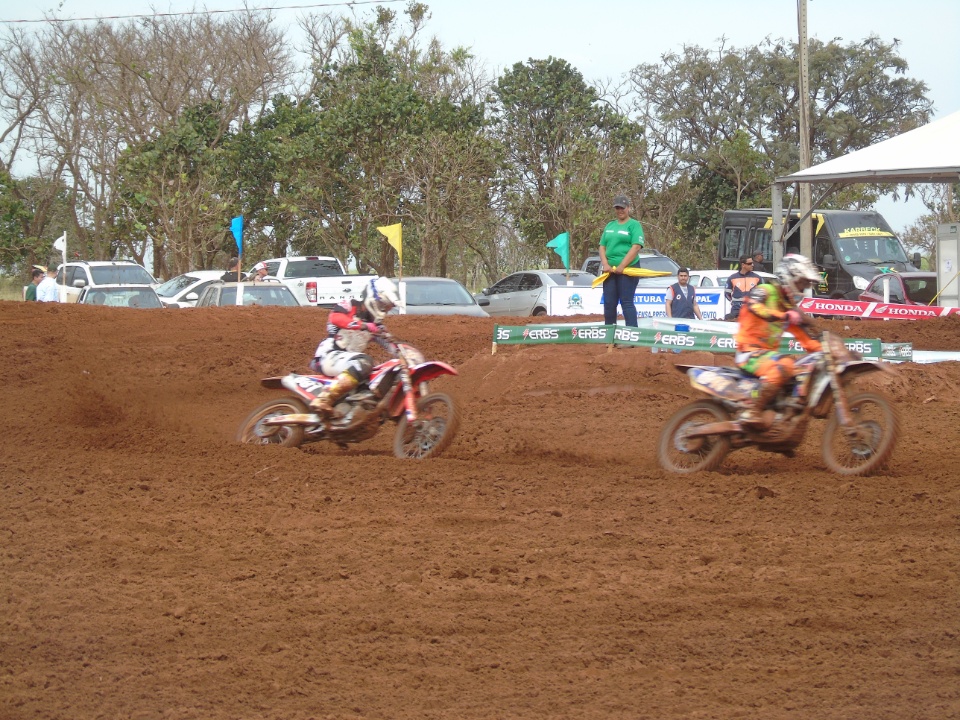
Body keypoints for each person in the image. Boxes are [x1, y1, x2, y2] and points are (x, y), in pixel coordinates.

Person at [734, 254, 823, 427]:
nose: (804, 289)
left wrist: (828, 351)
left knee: (802, 372)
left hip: (765, 356)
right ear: (790, 277)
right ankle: (751, 412)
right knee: (786, 364)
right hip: (748, 353)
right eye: (802, 283)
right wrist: (782, 315)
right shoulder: (765, 290)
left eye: (806, 285)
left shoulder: (787, 307)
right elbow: (753, 306)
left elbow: (806, 341)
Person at [308, 277, 401, 417]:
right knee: (364, 362)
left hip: (346, 362)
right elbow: (335, 318)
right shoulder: (350, 305)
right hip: (329, 354)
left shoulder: (377, 326)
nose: (385, 311)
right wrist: (363, 326)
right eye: (383, 306)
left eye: (387, 308)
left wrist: (403, 353)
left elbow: (391, 344)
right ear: (373, 298)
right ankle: (323, 399)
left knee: (380, 376)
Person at [598, 194, 645, 327]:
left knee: (626, 302)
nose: (620, 211)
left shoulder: (634, 225)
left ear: (628, 208)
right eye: (617, 208)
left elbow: (636, 247)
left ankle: (631, 335)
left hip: (628, 269)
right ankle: (610, 336)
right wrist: (605, 264)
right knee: (609, 303)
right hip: (609, 271)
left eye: (622, 208)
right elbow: (602, 246)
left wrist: (622, 266)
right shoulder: (610, 225)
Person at [724, 255, 762, 320]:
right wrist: (734, 302)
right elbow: (727, 294)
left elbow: (762, 294)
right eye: (749, 263)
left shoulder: (757, 278)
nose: (752, 265)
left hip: (752, 311)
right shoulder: (732, 278)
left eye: (752, 263)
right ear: (743, 265)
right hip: (736, 311)